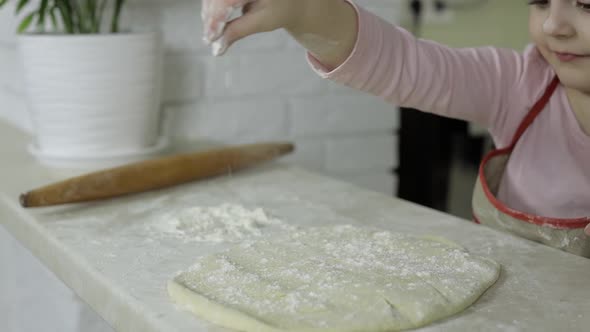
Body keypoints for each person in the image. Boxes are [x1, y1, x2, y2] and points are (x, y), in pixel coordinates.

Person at [201, 0, 590, 256]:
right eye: (540, 1)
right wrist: (303, 11)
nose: (554, 25)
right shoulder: (520, 84)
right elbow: (403, 64)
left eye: (585, 5)